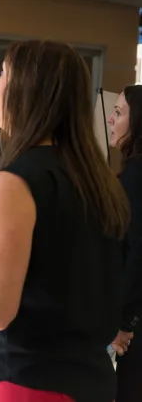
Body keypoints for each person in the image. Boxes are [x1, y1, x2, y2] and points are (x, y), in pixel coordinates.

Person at [0, 40, 129, 402]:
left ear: (30, 92)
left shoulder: (14, 182)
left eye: (2, 75)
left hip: (22, 384)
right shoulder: (97, 181)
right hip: (89, 380)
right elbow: (60, 273)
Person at [107, 85, 142, 402]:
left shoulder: (135, 177)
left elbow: (137, 258)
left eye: (118, 113)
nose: (110, 119)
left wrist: (124, 323)